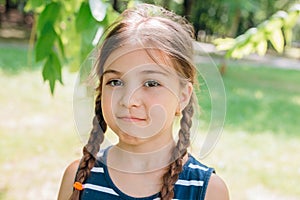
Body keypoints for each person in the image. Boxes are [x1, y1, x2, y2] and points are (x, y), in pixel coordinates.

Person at [58, 3, 229, 200]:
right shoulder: (78, 179)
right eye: (115, 81)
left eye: (151, 83)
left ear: (183, 96)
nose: (129, 100)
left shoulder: (206, 191)